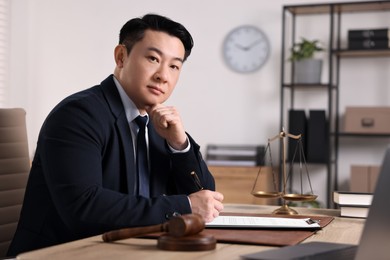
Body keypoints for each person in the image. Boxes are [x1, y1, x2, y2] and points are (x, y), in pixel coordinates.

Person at [7, 13, 224, 256]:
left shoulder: (157, 123)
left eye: (174, 66)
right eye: (153, 58)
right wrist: (184, 205)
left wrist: (179, 144)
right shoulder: (78, 115)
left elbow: (206, 197)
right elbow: (84, 207)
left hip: (131, 250)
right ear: (121, 57)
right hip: (62, 253)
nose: (163, 75)